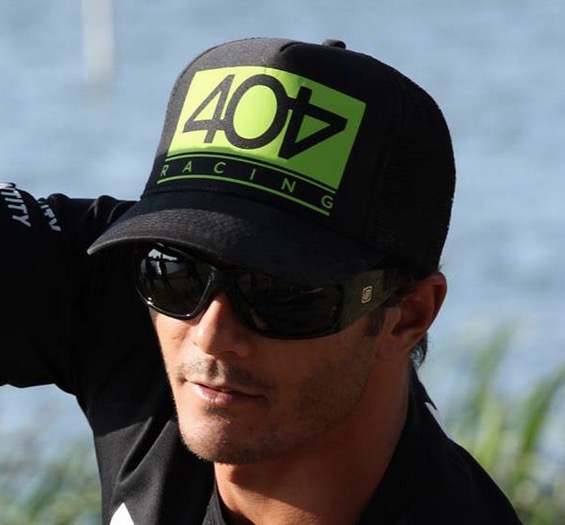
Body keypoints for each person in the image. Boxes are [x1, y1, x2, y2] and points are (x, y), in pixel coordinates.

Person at [1, 37, 522, 525]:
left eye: (280, 292)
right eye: (177, 268)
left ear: (406, 315)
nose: (210, 336)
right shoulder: (150, 300)